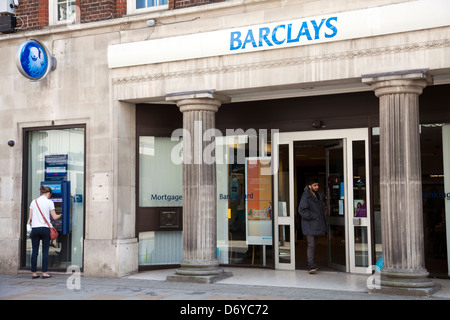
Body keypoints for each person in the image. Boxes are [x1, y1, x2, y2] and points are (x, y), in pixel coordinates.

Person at [27, 186, 61, 279]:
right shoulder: (49, 202)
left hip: (35, 229)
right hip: (45, 229)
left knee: (35, 251)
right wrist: (61, 214)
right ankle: (44, 273)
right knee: (45, 251)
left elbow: (30, 218)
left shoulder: (34, 201)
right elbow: (54, 217)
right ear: (49, 193)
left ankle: (34, 273)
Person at [298, 178, 327, 274]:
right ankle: (311, 266)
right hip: (309, 225)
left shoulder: (318, 195)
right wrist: (314, 216)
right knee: (311, 245)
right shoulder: (306, 195)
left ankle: (312, 263)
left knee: (314, 245)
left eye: (317, 185)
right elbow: (302, 210)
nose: (317, 187)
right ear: (309, 186)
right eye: (315, 185)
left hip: (316, 225)